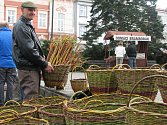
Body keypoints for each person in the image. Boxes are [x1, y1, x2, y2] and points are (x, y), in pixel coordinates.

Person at [12, 1, 54, 100]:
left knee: (30, 98)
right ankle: (28, 115)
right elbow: (29, 50)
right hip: (28, 69)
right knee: (31, 100)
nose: (33, 12)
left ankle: (27, 114)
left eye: (34, 10)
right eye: (30, 10)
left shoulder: (26, 25)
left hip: (30, 68)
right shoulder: (21, 26)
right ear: (22, 10)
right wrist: (44, 63)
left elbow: (32, 48)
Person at [0, 21, 17, 106]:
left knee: (0, 83)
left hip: (0, 64)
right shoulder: (13, 36)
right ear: (7, 26)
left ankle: (0, 103)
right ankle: (9, 103)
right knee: (11, 83)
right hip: (12, 64)